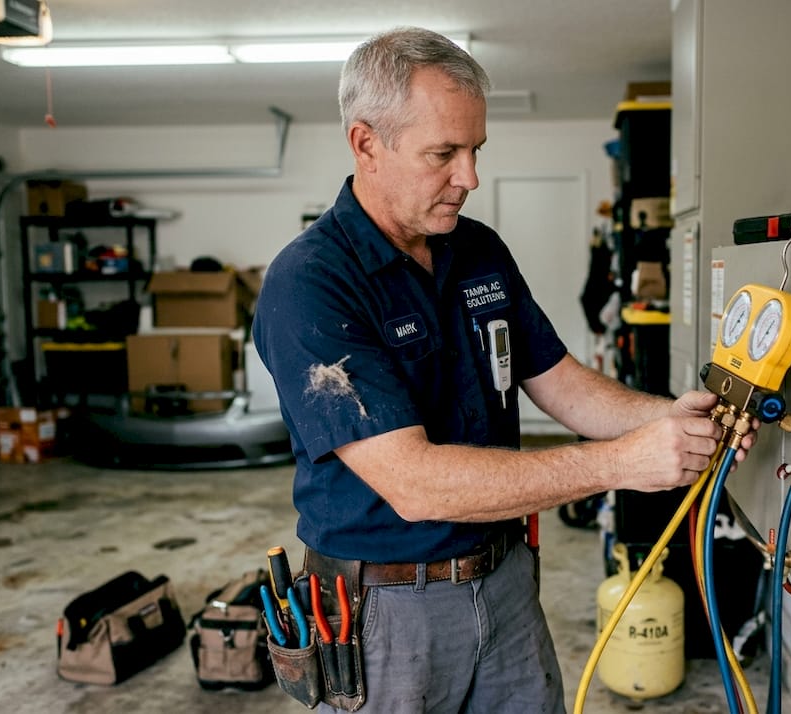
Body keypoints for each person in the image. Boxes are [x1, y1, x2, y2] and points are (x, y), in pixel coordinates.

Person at [253, 26, 757, 714]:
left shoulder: (477, 249)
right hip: (385, 616)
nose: (470, 177)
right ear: (366, 143)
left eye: (475, 150)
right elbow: (416, 484)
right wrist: (618, 464)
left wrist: (670, 417)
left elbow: (561, 381)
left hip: (506, 581)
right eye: (444, 154)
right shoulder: (310, 284)